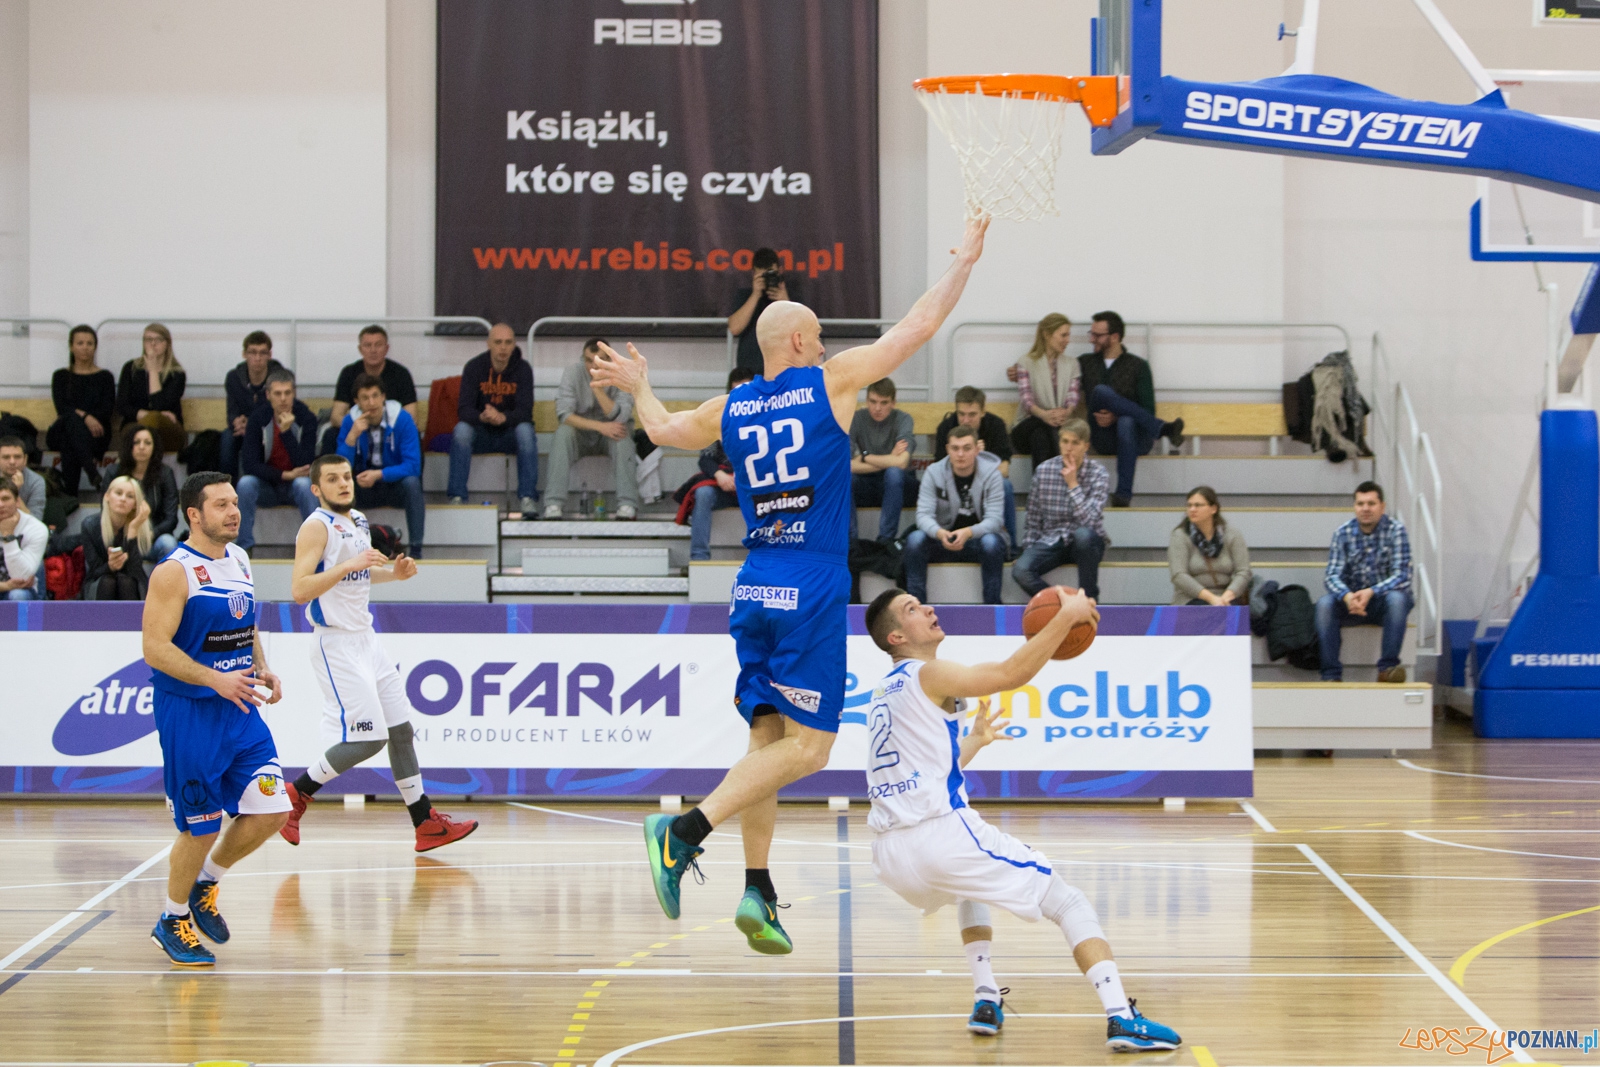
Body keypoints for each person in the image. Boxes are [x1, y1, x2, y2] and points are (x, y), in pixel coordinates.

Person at [590, 214, 989, 952]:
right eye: (823, 335)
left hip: (753, 583)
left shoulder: (732, 405)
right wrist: (962, 263)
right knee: (810, 750)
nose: (831, 344)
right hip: (808, 583)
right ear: (802, 343)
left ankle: (758, 888)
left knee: (767, 739)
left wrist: (640, 384)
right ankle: (682, 829)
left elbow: (666, 429)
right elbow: (919, 325)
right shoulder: (830, 384)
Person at [861, 586, 1183, 1052]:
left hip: (890, 854)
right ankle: (1121, 1016)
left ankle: (986, 997)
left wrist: (974, 742)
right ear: (895, 637)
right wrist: (1065, 615)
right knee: (1068, 902)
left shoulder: (883, 693)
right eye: (912, 609)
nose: (929, 609)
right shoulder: (926, 673)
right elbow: (1012, 673)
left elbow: (928, 771)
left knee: (967, 888)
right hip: (938, 836)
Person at [280, 454, 478, 851]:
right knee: (369, 738)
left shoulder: (357, 520)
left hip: (366, 639)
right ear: (316, 488)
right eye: (333, 479)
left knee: (401, 730)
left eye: (347, 477)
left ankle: (425, 823)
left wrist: (393, 574)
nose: (344, 483)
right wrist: (350, 563)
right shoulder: (315, 527)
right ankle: (296, 794)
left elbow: (358, 573)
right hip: (334, 642)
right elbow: (300, 589)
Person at [143, 472, 291, 966]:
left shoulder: (241, 558)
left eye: (235, 503)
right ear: (194, 514)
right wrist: (213, 679)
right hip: (191, 712)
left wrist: (262, 665)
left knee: (273, 810)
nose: (234, 512)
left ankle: (206, 884)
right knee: (201, 826)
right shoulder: (173, 572)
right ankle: (171, 917)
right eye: (222, 505)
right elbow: (154, 648)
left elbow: (245, 625)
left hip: (239, 703)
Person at [1079, 311, 1184, 507]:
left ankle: (1123, 496)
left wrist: (1116, 417)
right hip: (1101, 435)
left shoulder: (1138, 366)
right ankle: (1162, 429)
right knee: (1101, 391)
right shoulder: (1085, 362)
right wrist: (1020, 370)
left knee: (1126, 422)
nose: (1092, 339)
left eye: (1098, 335)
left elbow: (1148, 408)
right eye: (1091, 333)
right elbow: (1056, 371)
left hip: (1137, 438)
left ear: (1115, 337)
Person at [1317, 481, 1412, 683]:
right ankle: (1331, 675)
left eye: (1371, 503)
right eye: (1360, 504)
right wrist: (1347, 596)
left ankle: (1387, 669)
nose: (1365, 509)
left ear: (1382, 506)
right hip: (1352, 604)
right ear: (1354, 507)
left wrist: (1371, 592)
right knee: (1324, 604)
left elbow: (1402, 576)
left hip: (1382, 604)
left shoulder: (1396, 531)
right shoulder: (1342, 533)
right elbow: (1332, 575)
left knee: (1398, 599)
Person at [905, 426, 1007, 605]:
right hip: (943, 539)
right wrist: (939, 532)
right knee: (915, 540)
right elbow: (922, 515)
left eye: (967, 448)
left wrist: (968, 532)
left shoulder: (992, 474)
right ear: (947, 450)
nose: (960, 454)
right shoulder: (933, 472)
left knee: (991, 542)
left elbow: (995, 520)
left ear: (977, 450)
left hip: (977, 541)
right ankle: (916, 606)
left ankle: (992, 607)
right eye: (955, 448)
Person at [1012, 420, 1108, 602]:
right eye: (1064, 441)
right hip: (1052, 540)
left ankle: (1089, 600)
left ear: (1086, 446)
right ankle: (1061, 603)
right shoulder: (1044, 471)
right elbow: (1033, 518)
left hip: (1087, 543)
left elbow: (1090, 522)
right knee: (1021, 570)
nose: (1068, 448)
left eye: (1075, 443)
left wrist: (1073, 485)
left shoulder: (1098, 474)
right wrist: (1028, 549)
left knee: (1083, 535)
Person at [544, 338, 640, 520]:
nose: (594, 365)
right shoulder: (572, 373)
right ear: (583, 359)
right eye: (589, 360)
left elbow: (621, 416)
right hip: (582, 433)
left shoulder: (623, 376)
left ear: (610, 360)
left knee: (622, 434)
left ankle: (627, 505)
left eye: (600, 360)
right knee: (563, 433)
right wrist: (600, 426)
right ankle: (553, 504)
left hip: (611, 434)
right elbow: (564, 415)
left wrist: (598, 389)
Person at [336, 374, 426, 558]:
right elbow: (339, 468)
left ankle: (416, 550)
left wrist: (379, 475)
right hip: (361, 485)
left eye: (375, 396)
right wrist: (352, 437)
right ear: (356, 401)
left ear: (384, 397)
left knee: (412, 483)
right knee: (338, 486)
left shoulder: (402, 419)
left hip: (392, 484)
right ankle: (340, 548)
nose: (371, 402)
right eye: (365, 398)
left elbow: (413, 466)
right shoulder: (349, 422)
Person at [449, 322, 537, 511]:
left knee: (526, 431)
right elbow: (463, 410)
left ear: (514, 345)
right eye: (498, 342)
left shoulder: (523, 370)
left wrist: (503, 417)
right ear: (488, 344)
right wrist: (483, 417)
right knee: (461, 430)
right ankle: (457, 496)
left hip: (510, 434)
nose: (503, 347)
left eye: (508, 342)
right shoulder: (474, 367)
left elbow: (526, 411)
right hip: (481, 432)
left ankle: (527, 497)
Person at [236, 369, 318, 554]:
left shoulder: (307, 419)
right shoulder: (258, 418)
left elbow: (305, 463)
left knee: (305, 484)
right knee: (245, 483)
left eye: (287, 393)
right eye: (277, 393)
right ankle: (244, 547)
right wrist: (283, 475)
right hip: (268, 486)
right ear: (268, 395)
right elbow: (249, 464)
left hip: (295, 486)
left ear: (294, 394)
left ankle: (315, 547)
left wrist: (287, 432)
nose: (283, 399)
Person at [685, 367, 757, 562]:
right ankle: (699, 556)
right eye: (735, 391)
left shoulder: (766, 417)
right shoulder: (719, 418)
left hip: (755, 487)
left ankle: (765, 555)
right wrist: (719, 475)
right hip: (724, 485)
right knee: (703, 493)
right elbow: (705, 457)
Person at [936, 386, 1018, 549]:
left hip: (987, 485)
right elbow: (939, 471)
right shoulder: (946, 427)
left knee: (1006, 486)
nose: (966, 420)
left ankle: (1011, 546)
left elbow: (1004, 470)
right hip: (954, 484)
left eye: (972, 414)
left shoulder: (996, 425)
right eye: (961, 414)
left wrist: (979, 457)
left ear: (982, 411)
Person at [325, 325, 419, 453]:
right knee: (331, 435)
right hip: (358, 428)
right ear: (360, 349)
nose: (373, 350)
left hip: (391, 431)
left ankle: (408, 473)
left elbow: (412, 416)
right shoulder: (348, 373)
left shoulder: (401, 374)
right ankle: (331, 472)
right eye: (368, 345)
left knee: (415, 436)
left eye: (378, 345)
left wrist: (381, 429)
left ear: (387, 348)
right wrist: (359, 428)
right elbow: (336, 417)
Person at [47, 325, 116, 494]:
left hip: (96, 433)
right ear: (71, 346)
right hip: (65, 428)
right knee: (70, 422)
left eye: (89, 343)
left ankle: (70, 494)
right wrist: (85, 416)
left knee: (69, 438)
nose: (85, 347)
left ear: (95, 347)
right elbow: (62, 408)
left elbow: (107, 410)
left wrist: (81, 416)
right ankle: (92, 472)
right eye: (80, 343)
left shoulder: (105, 376)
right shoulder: (61, 376)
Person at [850, 377, 917, 543]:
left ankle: (885, 540)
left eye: (884, 402)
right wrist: (890, 459)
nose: (877, 408)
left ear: (893, 403)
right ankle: (851, 543)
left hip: (898, 484)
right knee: (844, 477)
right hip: (865, 483)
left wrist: (865, 457)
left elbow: (901, 462)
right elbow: (847, 465)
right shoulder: (857, 418)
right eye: (873, 401)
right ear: (866, 401)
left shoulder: (903, 419)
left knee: (894, 473)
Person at [1009, 314, 1080, 469]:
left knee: (1040, 437)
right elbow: (1027, 400)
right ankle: (1068, 480)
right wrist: (1045, 415)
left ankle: (1040, 491)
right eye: (1063, 335)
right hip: (1027, 425)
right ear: (1047, 335)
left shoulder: (1072, 364)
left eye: (1068, 335)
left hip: (1057, 425)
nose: (1067, 340)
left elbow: (1072, 397)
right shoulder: (1026, 362)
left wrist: (1065, 413)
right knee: (1044, 428)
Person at [1168, 486, 1250, 606]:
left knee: (1253, 620)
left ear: (1213, 509)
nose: (1192, 509)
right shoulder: (1180, 535)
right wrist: (1211, 599)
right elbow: (1178, 575)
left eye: (1198, 505)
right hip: (1190, 599)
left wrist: (1226, 597)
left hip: (1226, 597)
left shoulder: (1232, 534)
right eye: (1189, 505)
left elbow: (1244, 571)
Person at [116, 323, 187, 455]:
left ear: (167, 344)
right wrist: (148, 416)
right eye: (148, 339)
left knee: (154, 421)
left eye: (158, 340)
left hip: (168, 429)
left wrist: (153, 370)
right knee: (147, 425)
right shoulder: (131, 368)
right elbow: (122, 406)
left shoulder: (177, 374)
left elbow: (159, 406)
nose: (153, 344)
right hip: (134, 426)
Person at [727, 248, 801, 376]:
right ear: (754, 274)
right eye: (762, 276)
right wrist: (755, 295)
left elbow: (803, 330)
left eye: (771, 274)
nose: (767, 280)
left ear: (780, 271)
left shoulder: (793, 296)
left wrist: (785, 301)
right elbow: (734, 328)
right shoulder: (745, 296)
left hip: (784, 370)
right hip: (750, 370)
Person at [111, 425, 180, 562]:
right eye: (137, 442)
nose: (142, 447)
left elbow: (171, 519)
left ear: (155, 447)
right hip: (121, 539)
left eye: (147, 443)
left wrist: (150, 534)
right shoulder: (114, 472)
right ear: (129, 446)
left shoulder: (165, 473)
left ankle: (162, 583)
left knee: (168, 543)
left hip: (152, 539)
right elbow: (106, 510)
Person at [221, 331, 285, 477]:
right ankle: (228, 489)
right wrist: (236, 421)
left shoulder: (280, 377)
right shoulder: (234, 377)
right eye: (253, 352)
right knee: (227, 438)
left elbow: (281, 411)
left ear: (269, 355)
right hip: (243, 429)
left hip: (270, 428)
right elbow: (231, 411)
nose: (257, 358)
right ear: (244, 354)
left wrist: (252, 425)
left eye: (262, 353)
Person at [81, 476, 154, 601]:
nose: (123, 499)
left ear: (136, 504)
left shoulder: (139, 527)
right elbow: (94, 570)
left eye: (130, 496)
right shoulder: (90, 525)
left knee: (125, 581)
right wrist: (110, 566)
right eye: (118, 493)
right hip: (99, 581)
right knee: (108, 581)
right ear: (107, 496)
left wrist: (132, 530)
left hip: (131, 583)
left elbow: (135, 570)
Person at [0, 480, 47, 600]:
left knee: (17, 595)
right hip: (4, 586)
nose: (1, 505)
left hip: (25, 591)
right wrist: (5, 586)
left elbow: (21, 576)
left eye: (5, 499)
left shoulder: (36, 528)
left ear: (17, 502)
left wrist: (8, 536)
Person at [0, 436, 46, 518]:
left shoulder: (36, 481)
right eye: (6, 457)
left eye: (17, 457)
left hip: (22, 528)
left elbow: (36, 520)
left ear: (25, 459)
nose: (12, 462)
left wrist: (15, 492)